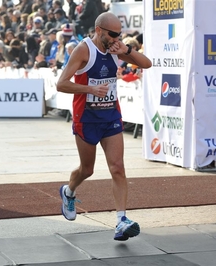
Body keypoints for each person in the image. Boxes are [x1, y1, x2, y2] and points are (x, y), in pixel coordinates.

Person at [56, 12, 152, 241]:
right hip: (86, 118)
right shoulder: (84, 50)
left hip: (110, 117)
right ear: (99, 30)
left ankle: (121, 220)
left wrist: (127, 51)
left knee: (117, 167)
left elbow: (147, 64)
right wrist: (90, 89)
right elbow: (61, 84)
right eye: (113, 34)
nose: (116, 38)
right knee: (86, 170)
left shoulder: (117, 48)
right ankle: (69, 191)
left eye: (120, 34)